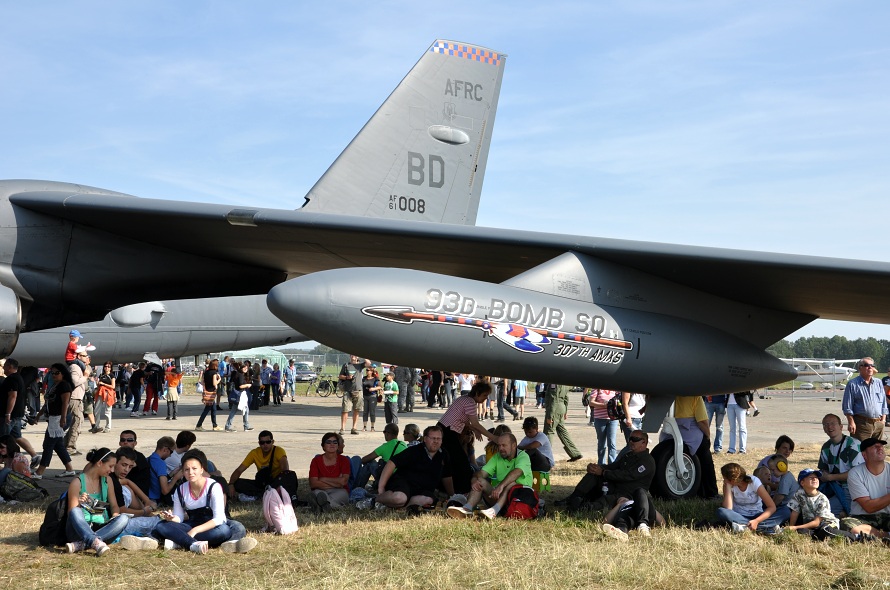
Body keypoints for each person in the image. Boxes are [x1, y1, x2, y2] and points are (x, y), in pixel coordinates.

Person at [155, 449, 257, 554]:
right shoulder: (180, 490)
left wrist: (195, 531)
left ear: (201, 469)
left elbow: (218, 519)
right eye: (186, 469)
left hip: (212, 525)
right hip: (192, 523)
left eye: (194, 468)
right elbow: (180, 517)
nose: (191, 473)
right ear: (182, 472)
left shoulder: (213, 486)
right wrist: (172, 518)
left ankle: (179, 542)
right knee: (161, 525)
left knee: (224, 530)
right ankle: (192, 544)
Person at [554, 431, 655, 511]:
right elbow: (613, 466)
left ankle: (583, 507)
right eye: (630, 439)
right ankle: (574, 498)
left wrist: (603, 473)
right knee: (593, 475)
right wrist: (597, 467)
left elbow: (628, 476)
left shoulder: (647, 461)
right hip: (616, 486)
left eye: (635, 439)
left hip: (629, 493)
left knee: (606, 501)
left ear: (644, 443)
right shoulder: (628, 455)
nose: (631, 441)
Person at [447, 432, 532, 519]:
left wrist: (500, 486)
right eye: (499, 445)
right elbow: (481, 473)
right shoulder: (497, 457)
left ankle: (494, 511)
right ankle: (467, 509)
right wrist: (474, 479)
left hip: (520, 498)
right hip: (500, 497)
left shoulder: (523, 456)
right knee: (480, 481)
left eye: (504, 445)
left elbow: (517, 472)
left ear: (514, 445)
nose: (501, 448)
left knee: (511, 483)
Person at [64, 447, 130, 556]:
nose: (112, 470)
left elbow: (114, 505)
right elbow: (71, 513)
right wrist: (79, 504)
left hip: (100, 525)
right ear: (100, 463)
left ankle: (82, 544)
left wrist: (114, 515)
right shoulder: (77, 482)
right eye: (110, 466)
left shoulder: (107, 480)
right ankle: (94, 541)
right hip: (79, 529)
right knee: (75, 511)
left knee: (123, 518)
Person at [437, 382, 497, 494]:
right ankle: (462, 490)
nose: (486, 398)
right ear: (478, 393)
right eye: (484, 395)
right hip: (448, 432)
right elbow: (475, 423)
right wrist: (493, 437)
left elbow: (467, 421)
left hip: (446, 430)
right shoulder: (470, 402)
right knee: (461, 463)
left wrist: (476, 430)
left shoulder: (465, 398)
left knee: (454, 462)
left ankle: (453, 490)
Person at [375, 425, 454, 510]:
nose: (436, 441)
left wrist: (452, 496)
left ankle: (399, 507)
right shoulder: (414, 450)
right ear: (425, 439)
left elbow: (447, 476)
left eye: (439, 439)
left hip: (422, 489)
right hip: (404, 484)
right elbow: (391, 463)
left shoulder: (444, 454)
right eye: (433, 438)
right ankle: (375, 500)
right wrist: (381, 487)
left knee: (428, 500)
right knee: (399, 498)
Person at [661, 395, 718, 498]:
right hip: (690, 433)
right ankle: (711, 492)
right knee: (706, 461)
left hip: (670, 433)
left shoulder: (668, 394)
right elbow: (702, 421)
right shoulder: (695, 396)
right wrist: (708, 436)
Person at [788, 468, 858, 542]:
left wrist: (795, 527)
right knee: (802, 531)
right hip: (811, 525)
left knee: (824, 531)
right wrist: (791, 527)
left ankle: (854, 537)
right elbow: (795, 512)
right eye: (811, 478)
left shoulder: (822, 498)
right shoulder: (799, 494)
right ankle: (818, 537)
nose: (815, 479)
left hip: (826, 523)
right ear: (802, 483)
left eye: (816, 478)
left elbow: (816, 522)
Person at [33, 363, 77, 479]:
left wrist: (62, 418)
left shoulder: (64, 385)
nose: (54, 375)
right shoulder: (55, 385)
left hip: (59, 418)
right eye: (52, 373)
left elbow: (65, 403)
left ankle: (40, 472)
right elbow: (48, 402)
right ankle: (69, 469)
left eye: (57, 373)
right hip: (53, 418)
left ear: (63, 373)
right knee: (58, 445)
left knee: (48, 444)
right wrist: (38, 415)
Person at [840, 438, 890, 540]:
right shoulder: (855, 473)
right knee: (847, 524)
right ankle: (885, 536)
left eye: (881, 446)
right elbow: (868, 507)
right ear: (864, 455)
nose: (880, 448)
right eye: (875, 447)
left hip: (888, 516)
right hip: (863, 517)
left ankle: (873, 536)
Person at [817, 413, 864, 516]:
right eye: (826, 424)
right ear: (824, 429)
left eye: (833, 423)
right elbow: (823, 469)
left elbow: (857, 474)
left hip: (851, 489)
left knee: (825, 512)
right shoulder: (826, 447)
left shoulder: (853, 444)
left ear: (841, 426)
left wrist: (830, 477)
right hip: (834, 488)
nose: (829, 427)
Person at [715, 462, 782, 534]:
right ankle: (765, 528)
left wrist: (757, 521)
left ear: (732, 480)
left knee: (785, 511)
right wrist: (728, 486)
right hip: (739, 516)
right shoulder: (729, 485)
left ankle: (744, 527)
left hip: (757, 514)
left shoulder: (754, 482)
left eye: (725, 478)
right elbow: (728, 508)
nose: (724, 480)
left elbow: (772, 507)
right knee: (721, 512)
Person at [227, 430, 290, 499]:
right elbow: (239, 470)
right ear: (259, 443)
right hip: (262, 483)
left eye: (268, 442)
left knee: (288, 478)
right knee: (237, 483)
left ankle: (262, 494)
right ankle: (265, 494)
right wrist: (231, 484)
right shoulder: (254, 453)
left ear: (272, 442)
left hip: (276, 482)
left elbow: (285, 469)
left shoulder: (279, 451)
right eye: (262, 443)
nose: (265, 445)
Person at [842, 357, 887, 441]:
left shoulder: (878, 382)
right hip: (861, 424)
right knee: (861, 451)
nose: (870, 367)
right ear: (860, 368)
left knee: (875, 451)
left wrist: (883, 420)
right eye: (866, 365)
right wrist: (851, 422)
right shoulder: (853, 384)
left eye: (872, 365)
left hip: (878, 423)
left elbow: (883, 402)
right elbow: (847, 406)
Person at [353, 423, 407, 490]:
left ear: (387, 433)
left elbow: (365, 459)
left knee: (370, 463)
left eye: (384, 432)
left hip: (387, 476)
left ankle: (358, 487)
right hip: (400, 476)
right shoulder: (403, 445)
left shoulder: (385, 447)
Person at [308, 432, 351, 513]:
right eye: (328, 442)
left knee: (342, 494)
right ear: (323, 446)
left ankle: (320, 506)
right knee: (317, 493)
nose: (332, 444)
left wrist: (322, 479)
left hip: (339, 491)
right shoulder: (316, 460)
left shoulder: (344, 460)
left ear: (338, 445)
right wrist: (336, 482)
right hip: (321, 491)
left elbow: (343, 482)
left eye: (335, 442)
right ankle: (330, 506)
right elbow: (313, 483)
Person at [601, 488, 665, 541]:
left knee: (640, 491)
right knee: (622, 518)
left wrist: (646, 505)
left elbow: (663, 523)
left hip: (644, 514)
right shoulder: (621, 507)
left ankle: (643, 526)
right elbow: (605, 522)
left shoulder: (639, 501)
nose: (623, 498)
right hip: (628, 516)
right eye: (620, 499)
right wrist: (619, 505)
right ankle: (621, 532)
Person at [64, 346, 93, 456]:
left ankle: (65, 444)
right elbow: (75, 382)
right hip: (74, 398)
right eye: (85, 356)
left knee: (75, 422)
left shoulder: (78, 366)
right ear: (79, 356)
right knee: (76, 422)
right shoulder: (75, 367)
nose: (87, 358)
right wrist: (85, 376)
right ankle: (70, 448)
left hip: (77, 398)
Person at [543, 383, 582, 463]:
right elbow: (566, 398)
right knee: (562, 432)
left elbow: (554, 399)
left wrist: (550, 415)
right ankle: (574, 453)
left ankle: (546, 457)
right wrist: (565, 411)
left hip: (554, 409)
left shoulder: (554, 383)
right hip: (561, 408)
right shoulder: (564, 383)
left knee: (549, 432)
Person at [147, 436, 183, 504]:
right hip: (155, 500)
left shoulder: (149, 459)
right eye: (171, 452)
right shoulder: (160, 463)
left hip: (146, 496)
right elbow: (165, 490)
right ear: (165, 450)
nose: (170, 456)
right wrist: (175, 478)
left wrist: (171, 474)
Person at [589, 388, 619, 464]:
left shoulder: (614, 389)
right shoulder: (597, 389)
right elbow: (591, 402)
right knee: (601, 442)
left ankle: (612, 463)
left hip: (613, 418)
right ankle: (601, 464)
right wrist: (604, 405)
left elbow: (619, 399)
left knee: (612, 442)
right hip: (600, 418)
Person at [117, 429, 150, 497]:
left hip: (138, 494)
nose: (125, 442)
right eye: (123, 440)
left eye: (129, 440)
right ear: (119, 443)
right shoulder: (118, 455)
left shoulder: (139, 457)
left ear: (135, 443)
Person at [224, 361, 254, 432]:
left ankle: (244, 426)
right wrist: (247, 385)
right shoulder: (240, 375)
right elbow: (240, 386)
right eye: (244, 367)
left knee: (243, 410)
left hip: (240, 394)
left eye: (246, 367)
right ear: (241, 368)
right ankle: (230, 426)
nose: (246, 369)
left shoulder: (239, 374)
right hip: (240, 395)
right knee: (242, 410)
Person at [339, 355, 364, 435]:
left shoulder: (360, 365)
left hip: (358, 390)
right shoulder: (346, 365)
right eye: (351, 354)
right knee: (345, 410)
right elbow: (340, 376)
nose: (353, 356)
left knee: (357, 409)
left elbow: (368, 363)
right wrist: (347, 377)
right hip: (347, 390)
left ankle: (354, 428)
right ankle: (342, 428)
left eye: (355, 354)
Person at [195, 358, 221, 431]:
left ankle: (215, 425)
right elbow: (214, 383)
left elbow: (203, 382)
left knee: (213, 409)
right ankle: (198, 425)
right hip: (211, 393)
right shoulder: (214, 373)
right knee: (206, 410)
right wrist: (219, 380)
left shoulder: (206, 372)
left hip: (207, 391)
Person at [92, 361, 115, 433]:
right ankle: (96, 426)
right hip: (100, 392)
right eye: (105, 366)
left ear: (111, 368)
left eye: (108, 367)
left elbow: (113, 386)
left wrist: (104, 384)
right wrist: (97, 383)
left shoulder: (111, 376)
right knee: (96, 410)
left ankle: (108, 427)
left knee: (107, 411)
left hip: (108, 393)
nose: (107, 368)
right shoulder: (101, 375)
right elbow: (99, 385)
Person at [361, 363, 380, 432]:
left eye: (368, 370)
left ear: (371, 371)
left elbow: (380, 386)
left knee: (372, 412)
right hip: (365, 396)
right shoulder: (364, 378)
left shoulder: (375, 379)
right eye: (366, 370)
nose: (367, 371)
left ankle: (372, 427)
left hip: (372, 396)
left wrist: (374, 389)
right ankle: (364, 426)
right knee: (365, 412)